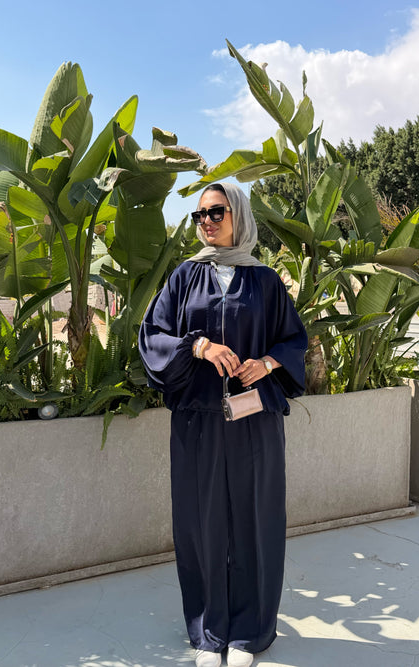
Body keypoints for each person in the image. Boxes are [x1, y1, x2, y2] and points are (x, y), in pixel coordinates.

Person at [139, 182, 307, 667]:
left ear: (239, 215)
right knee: (200, 522)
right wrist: (199, 346)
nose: (207, 222)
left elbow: (294, 340)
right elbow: (153, 335)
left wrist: (267, 363)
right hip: (198, 422)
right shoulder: (185, 277)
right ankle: (210, 632)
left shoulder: (265, 281)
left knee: (257, 519)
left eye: (216, 212)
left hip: (255, 421)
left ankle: (250, 633)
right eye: (200, 215)